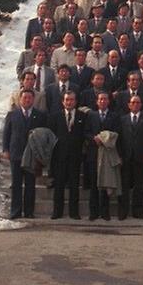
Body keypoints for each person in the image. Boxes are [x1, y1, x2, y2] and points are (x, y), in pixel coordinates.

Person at [2, 90, 47, 219]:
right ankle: (15, 211)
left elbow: (43, 135)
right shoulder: (12, 115)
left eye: (29, 98)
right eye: (25, 98)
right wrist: (6, 149)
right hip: (16, 153)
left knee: (30, 184)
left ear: (33, 100)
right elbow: (7, 133)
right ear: (20, 99)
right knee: (16, 184)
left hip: (32, 155)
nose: (27, 100)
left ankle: (29, 211)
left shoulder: (40, 115)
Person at [49, 91, 87, 219]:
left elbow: (84, 135)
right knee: (59, 185)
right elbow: (52, 136)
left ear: (75, 102)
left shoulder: (82, 116)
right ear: (63, 101)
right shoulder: (55, 116)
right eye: (67, 100)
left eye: (71, 100)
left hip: (75, 156)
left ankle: (74, 212)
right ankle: (57, 212)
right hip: (60, 156)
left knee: (74, 185)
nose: (69, 102)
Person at [85, 91, 120, 221]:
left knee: (105, 183)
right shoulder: (91, 116)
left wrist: (106, 138)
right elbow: (86, 132)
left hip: (108, 153)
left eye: (105, 99)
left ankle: (105, 212)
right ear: (97, 101)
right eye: (100, 99)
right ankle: (93, 212)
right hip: (94, 152)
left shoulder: (114, 116)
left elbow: (117, 132)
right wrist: (94, 138)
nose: (103, 101)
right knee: (94, 183)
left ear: (108, 101)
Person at [118, 95, 143, 219]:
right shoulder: (122, 120)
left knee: (140, 186)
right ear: (128, 105)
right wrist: (119, 156)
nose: (135, 105)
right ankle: (123, 211)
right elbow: (119, 140)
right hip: (126, 157)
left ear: (141, 105)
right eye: (133, 102)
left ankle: (139, 211)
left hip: (141, 157)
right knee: (124, 186)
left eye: (138, 102)